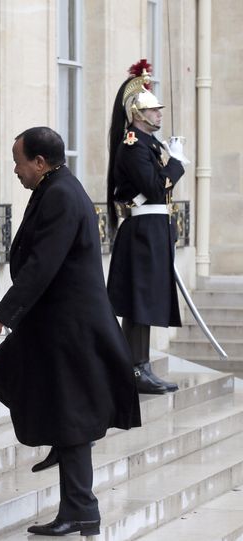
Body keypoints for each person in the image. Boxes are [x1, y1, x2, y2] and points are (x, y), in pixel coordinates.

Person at [0, 127, 141, 536]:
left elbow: (43, 263)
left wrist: (3, 315)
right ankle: (58, 439)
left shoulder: (60, 195)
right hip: (54, 322)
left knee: (70, 416)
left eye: (19, 162)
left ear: (39, 162)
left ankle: (81, 510)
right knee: (7, 374)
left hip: (68, 325)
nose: (15, 170)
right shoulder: (57, 187)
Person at [106, 60, 188, 395]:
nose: (159, 115)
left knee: (147, 302)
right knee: (139, 305)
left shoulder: (150, 145)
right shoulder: (132, 144)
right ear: (138, 114)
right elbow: (155, 188)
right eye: (153, 111)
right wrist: (178, 164)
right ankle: (135, 368)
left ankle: (141, 365)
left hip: (154, 229)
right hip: (142, 232)